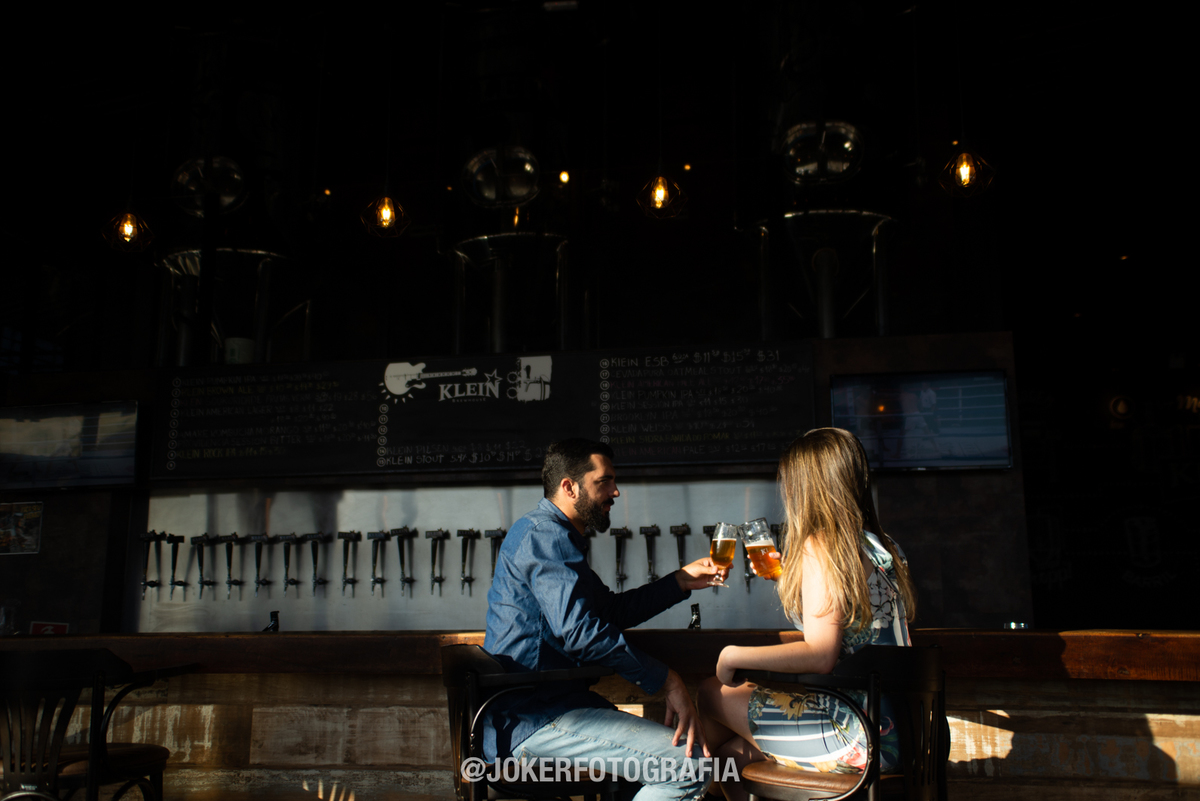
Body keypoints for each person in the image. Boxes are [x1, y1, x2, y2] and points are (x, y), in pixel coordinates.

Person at [483, 439, 720, 801]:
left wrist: (680, 581)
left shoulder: (555, 535)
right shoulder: (545, 535)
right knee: (691, 766)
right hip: (533, 719)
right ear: (569, 487)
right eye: (604, 481)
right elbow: (581, 633)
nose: (616, 491)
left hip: (550, 709)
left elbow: (609, 612)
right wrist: (667, 680)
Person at [697, 428, 917, 801]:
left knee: (710, 693)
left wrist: (732, 654)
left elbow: (820, 654)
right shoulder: (884, 547)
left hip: (858, 735)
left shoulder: (822, 547)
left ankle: (689, 787)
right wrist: (790, 578)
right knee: (730, 758)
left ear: (806, 487)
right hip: (907, 731)